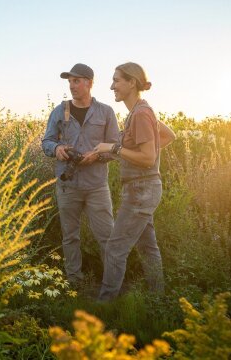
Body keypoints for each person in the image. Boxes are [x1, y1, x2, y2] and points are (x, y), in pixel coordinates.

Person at [94, 62, 176, 301]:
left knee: (115, 249)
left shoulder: (140, 114)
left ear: (131, 82)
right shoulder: (142, 111)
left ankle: (106, 305)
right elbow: (169, 136)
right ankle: (157, 300)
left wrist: (116, 148)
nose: (112, 86)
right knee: (148, 248)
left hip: (141, 190)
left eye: (117, 80)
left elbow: (148, 158)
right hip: (144, 189)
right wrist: (106, 152)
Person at [42, 63, 120, 286]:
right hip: (68, 185)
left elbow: (115, 146)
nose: (72, 86)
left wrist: (97, 156)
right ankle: (75, 282)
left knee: (107, 236)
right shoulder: (60, 111)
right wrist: (56, 149)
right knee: (70, 237)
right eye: (70, 81)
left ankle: (112, 283)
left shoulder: (106, 112)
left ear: (89, 83)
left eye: (76, 81)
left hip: (96, 185)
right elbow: (47, 141)